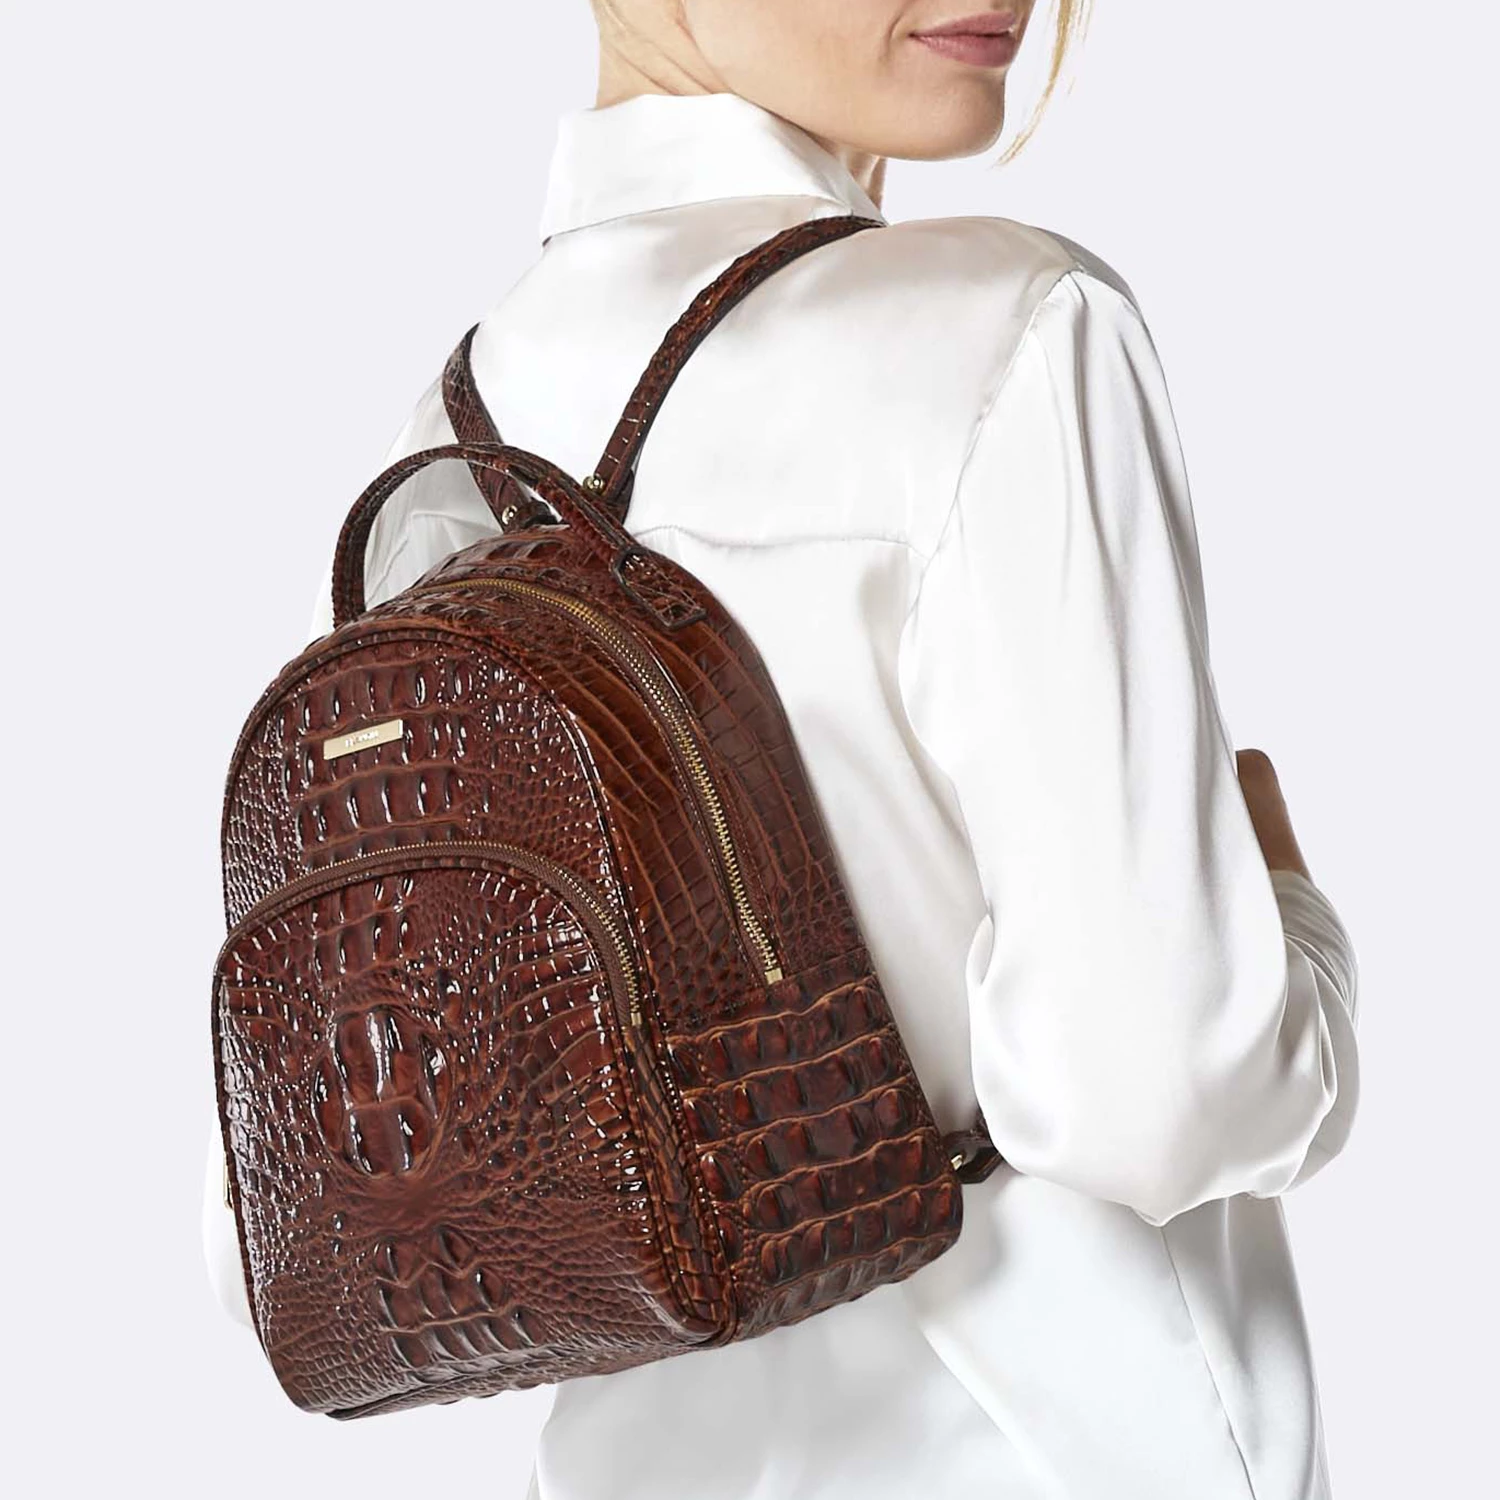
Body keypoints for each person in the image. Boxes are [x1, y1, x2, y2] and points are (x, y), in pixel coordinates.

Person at [203, 3, 1362, 1496]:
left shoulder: (424, 457)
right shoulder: (1011, 326)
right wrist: (1300, 937)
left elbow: (275, 1224)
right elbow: (1165, 1099)